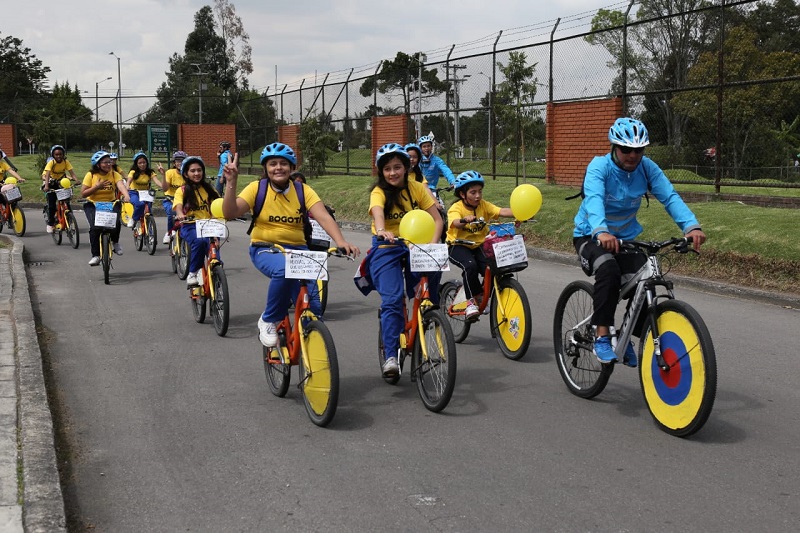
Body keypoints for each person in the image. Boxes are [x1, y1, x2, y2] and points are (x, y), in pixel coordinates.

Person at [573, 117, 706, 367]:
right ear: (614, 146)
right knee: (609, 270)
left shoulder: (647, 168)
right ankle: (602, 335)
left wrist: (691, 226)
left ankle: (625, 336)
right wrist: (601, 231)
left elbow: (670, 197)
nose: (633, 155)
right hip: (589, 234)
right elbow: (593, 199)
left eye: (638, 150)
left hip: (625, 238)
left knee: (648, 281)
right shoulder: (599, 167)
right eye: (626, 150)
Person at [221, 143, 359, 347]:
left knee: (313, 309)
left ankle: (312, 355)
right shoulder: (257, 188)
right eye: (273, 164)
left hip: (300, 251)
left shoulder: (303, 190)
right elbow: (230, 213)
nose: (278, 167)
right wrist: (231, 182)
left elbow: (323, 217)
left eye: (283, 163)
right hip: (265, 248)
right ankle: (269, 318)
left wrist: (341, 241)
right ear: (266, 168)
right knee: (284, 270)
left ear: (292, 167)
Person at [356, 143, 444, 378]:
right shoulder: (379, 192)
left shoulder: (417, 188)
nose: (393, 173)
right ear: (381, 172)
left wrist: (433, 245)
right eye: (387, 169)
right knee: (393, 299)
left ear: (406, 168)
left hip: (416, 244)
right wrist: (383, 229)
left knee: (427, 292)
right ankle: (392, 355)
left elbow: (437, 220)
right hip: (387, 245)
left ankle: (428, 318)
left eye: (397, 167)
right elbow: (377, 211)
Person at [445, 170, 514, 321]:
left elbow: (501, 211)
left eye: (480, 192)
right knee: (470, 266)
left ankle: (481, 295)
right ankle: (470, 302)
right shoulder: (456, 208)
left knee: (494, 267)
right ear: (462, 194)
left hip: (479, 245)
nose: (477, 196)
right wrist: (464, 220)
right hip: (458, 245)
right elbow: (455, 222)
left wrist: (520, 212)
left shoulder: (483, 205)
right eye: (473, 192)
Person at [174, 156, 220, 286]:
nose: (197, 173)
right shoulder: (182, 190)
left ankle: (216, 283)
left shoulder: (209, 189)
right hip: (190, 225)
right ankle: (193, 272)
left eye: (199, 170)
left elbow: (218, 204)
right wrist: (180, 214)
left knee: (214, 252)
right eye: (193, 171)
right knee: (199, 243)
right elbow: (178, 206)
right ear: (186, 174)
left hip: (210, 225)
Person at [81, 151, 131, 266]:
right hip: (93, 204)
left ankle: (115, 242)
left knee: (116, 222)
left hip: (111, 203)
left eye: (110, 162)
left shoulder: (114, 174)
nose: (109, 164)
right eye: (105, 162)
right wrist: (96, 187)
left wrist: (126, 195)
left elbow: (120, 185)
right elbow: (83, 193)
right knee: (94, 228)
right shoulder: (91, 175)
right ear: (98, 164)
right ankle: (95, 255)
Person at [41, 145, 79, 233]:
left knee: (66, 202)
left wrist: (77, 180)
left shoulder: (66, 162)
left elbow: (71, 173)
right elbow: (46, 175)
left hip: (61, 182)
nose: (59, 156)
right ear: (53, 155)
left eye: (60, 154)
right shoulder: (51, 163)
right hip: (51, 183)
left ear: (63, 154)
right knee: (52, 205)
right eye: (56, 154)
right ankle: (50, 224)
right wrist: (46, 186)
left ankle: (69, 220)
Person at [125, 152, 164, 229]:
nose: (142, 165)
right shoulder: (133, 172)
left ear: (147, 163)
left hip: (146, 193)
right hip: (134, 192)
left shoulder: (150, 172)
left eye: (144, 162)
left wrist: (164, 187)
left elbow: (157, 181)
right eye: (140, 163)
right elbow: (128, 181)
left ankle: (149, 230)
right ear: (136, 164)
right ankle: (134, 219)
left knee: (148, 210)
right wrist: (127, 186)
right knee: (139, 205)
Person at [157, 150, 187, 243]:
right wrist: (163, 175)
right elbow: (165, 189)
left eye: (182, 161)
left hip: (184, 200)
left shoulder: (187, 174)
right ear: (174, 163)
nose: (180, 163)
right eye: (178, 161)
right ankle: (169, 232)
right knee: (171, 212)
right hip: (170, 199)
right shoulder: (170, 172)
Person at [417, 134, 455, 203]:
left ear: (431, 147)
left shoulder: (437, 160)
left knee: (441, 208)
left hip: (432, 190)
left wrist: (453, 181)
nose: (426, 148)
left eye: (428, 146)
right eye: (424, 146)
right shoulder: (417, 161)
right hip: (419, 190)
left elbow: (446, 170)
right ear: (420, 148)